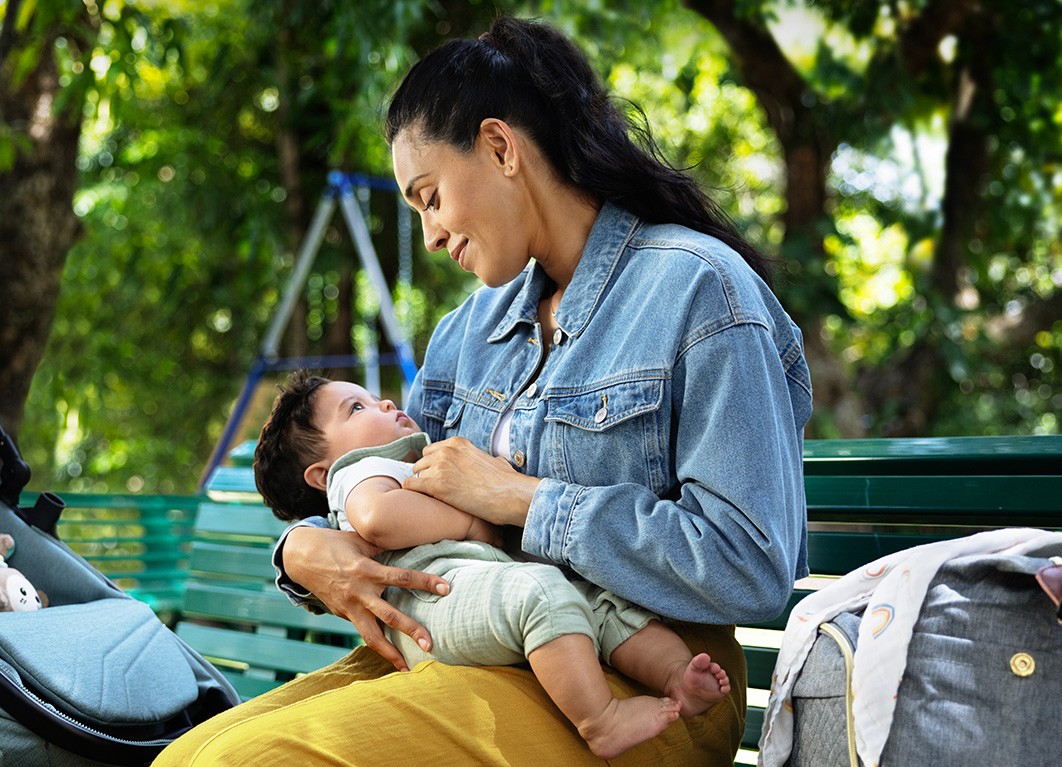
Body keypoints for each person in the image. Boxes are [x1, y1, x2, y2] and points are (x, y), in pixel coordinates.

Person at [154, 15, 811, 766]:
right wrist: (301, 548)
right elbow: (389, 499)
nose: (430, 234)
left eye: (429, 197)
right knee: (190, 755)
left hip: (646, 681)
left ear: (500, 148)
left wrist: (523, 499)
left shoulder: (699, 290)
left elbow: (752, 567)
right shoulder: (466, 334)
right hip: (471, 647)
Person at [253, 371, 731, 758]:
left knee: (596, 605)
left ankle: (675, 675)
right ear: (321, 473)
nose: (383, 404)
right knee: (543, 595)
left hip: (481, 586)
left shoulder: (407, 456)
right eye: (355, 408)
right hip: (432, 600)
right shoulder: (360, 470)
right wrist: (467, 522)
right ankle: (601, 720)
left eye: (373, 397)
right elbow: (376, 519)